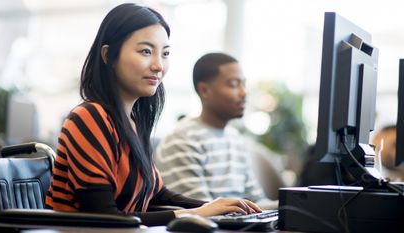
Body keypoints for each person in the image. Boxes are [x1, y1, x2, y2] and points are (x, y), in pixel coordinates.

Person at [45, 4, 261, 226]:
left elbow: (158, 194)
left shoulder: (133, 122)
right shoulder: (88, 118)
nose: (159, 65)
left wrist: (216, 207)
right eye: (146, 51)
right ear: (109, 55)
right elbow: (104, 218)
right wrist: (197, 213)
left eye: (165, 53)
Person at [155, 52, 275, 208]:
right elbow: (201, 211)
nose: (243, 92)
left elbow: (257, 203)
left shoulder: (235, 139)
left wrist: (291, 207)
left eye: (243, 84)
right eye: (233, 84)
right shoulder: (183, 139)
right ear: (204, 90)